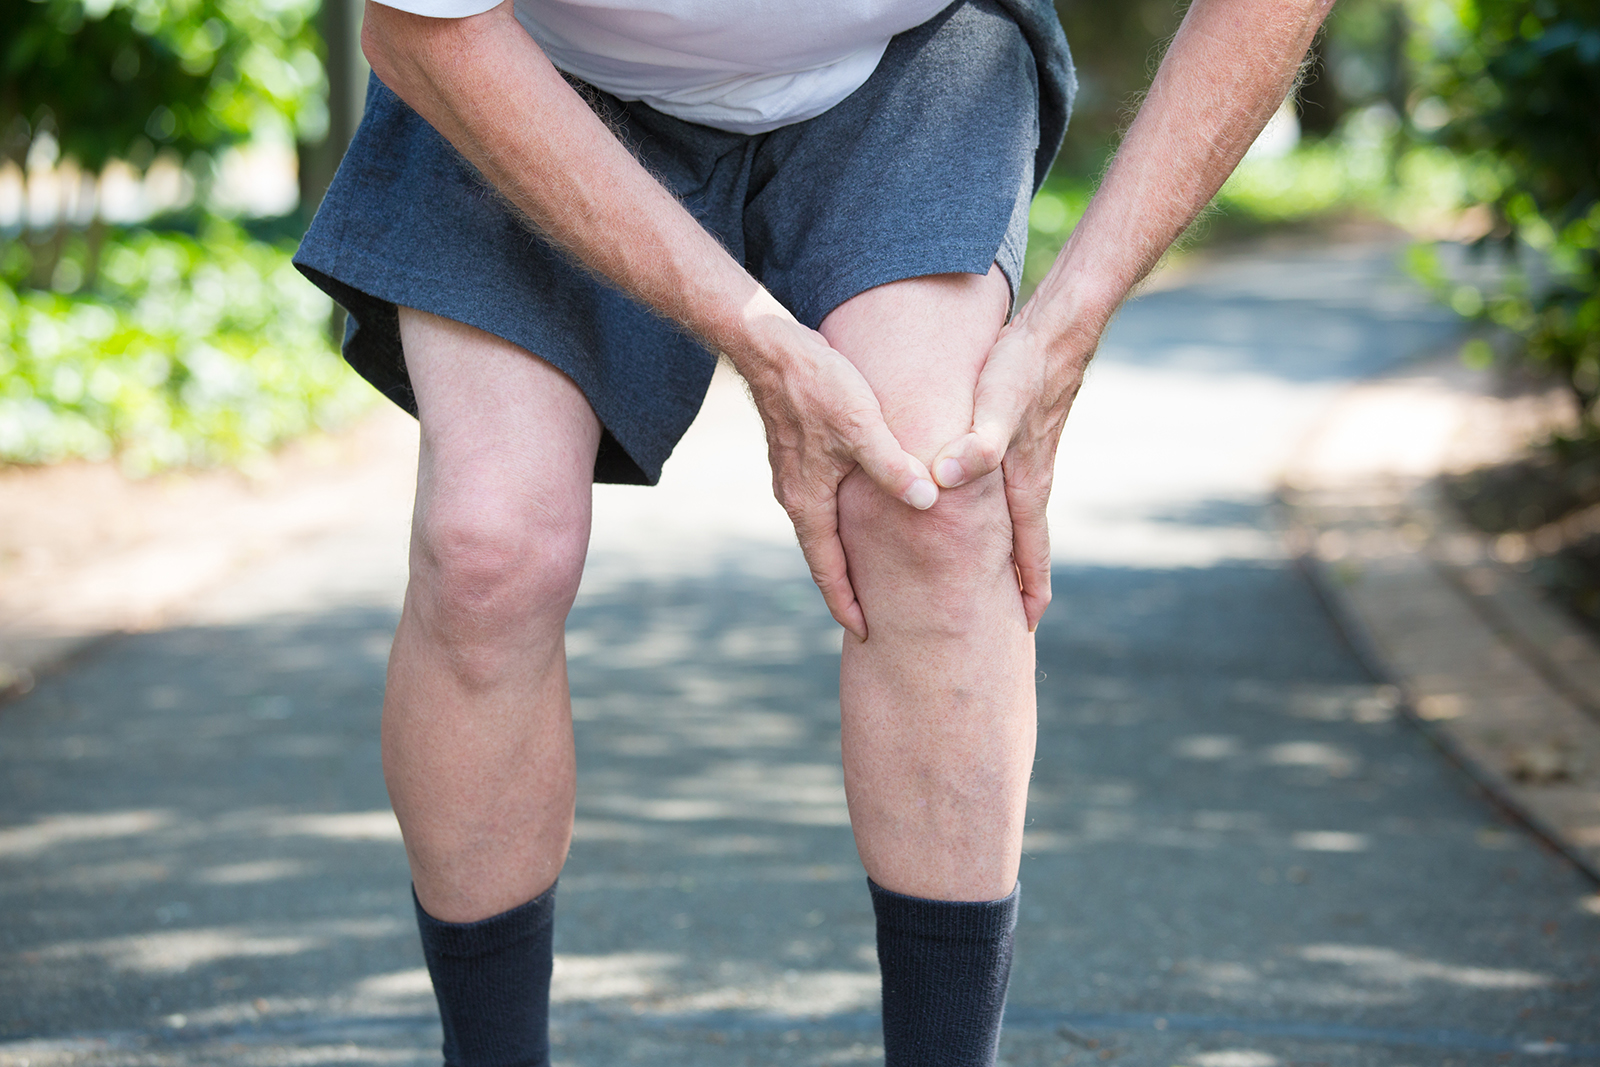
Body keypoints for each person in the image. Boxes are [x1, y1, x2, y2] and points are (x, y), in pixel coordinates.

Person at [293, 0, 1331, 1063]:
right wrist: (760, 340)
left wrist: (1069, 319)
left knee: (934, 501)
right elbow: (422, 30)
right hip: (534, 71)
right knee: (490, 549)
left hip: (899, 60)